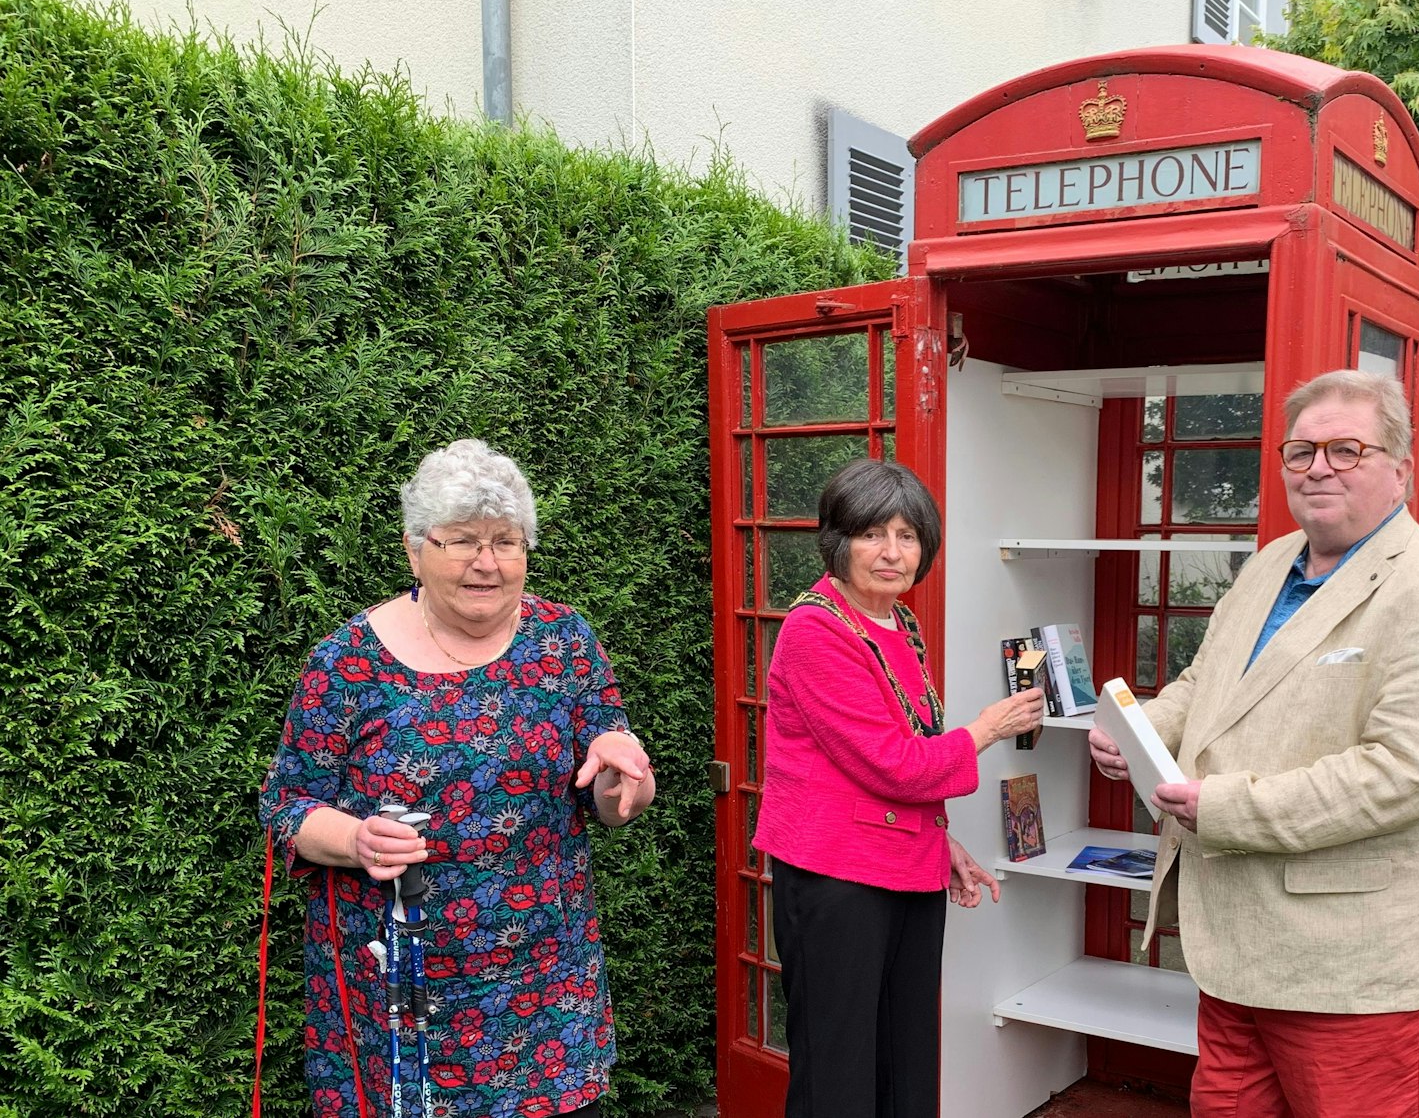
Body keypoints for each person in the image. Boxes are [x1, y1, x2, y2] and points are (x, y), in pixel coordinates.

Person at [1087, 371, 1419, 1118]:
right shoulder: (1269, 564)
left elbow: (1412, 775)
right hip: (1236, 948)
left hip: (1360, 965)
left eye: (1347, 449)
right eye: (1301, 449)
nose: (1319, 466)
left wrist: (1221, 807)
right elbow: (1207, 679)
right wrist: (1146, 729)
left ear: (1401, 469)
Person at [258, 439, 656, 1118]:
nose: (487, 561)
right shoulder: (347, 661)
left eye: (507, 540)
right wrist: (357, 838)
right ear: (415, 549)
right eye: (462, 540)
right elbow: (286, 804)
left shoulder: (565, 641)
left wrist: (627, 784)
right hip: (400, 998)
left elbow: (612, 792)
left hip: (548, 996)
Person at [753, 458, 1045, 1118]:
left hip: (904, 868)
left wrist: (940, 844)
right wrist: (987, 729)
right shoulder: (815, 629)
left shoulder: (899, 624)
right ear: (839, 541)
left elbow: (903, 754)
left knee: (905, 1056)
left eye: (908, 535)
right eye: (872, 534)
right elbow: (893, 763)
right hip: (836, 877)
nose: (891, 552)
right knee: (839, 1069)